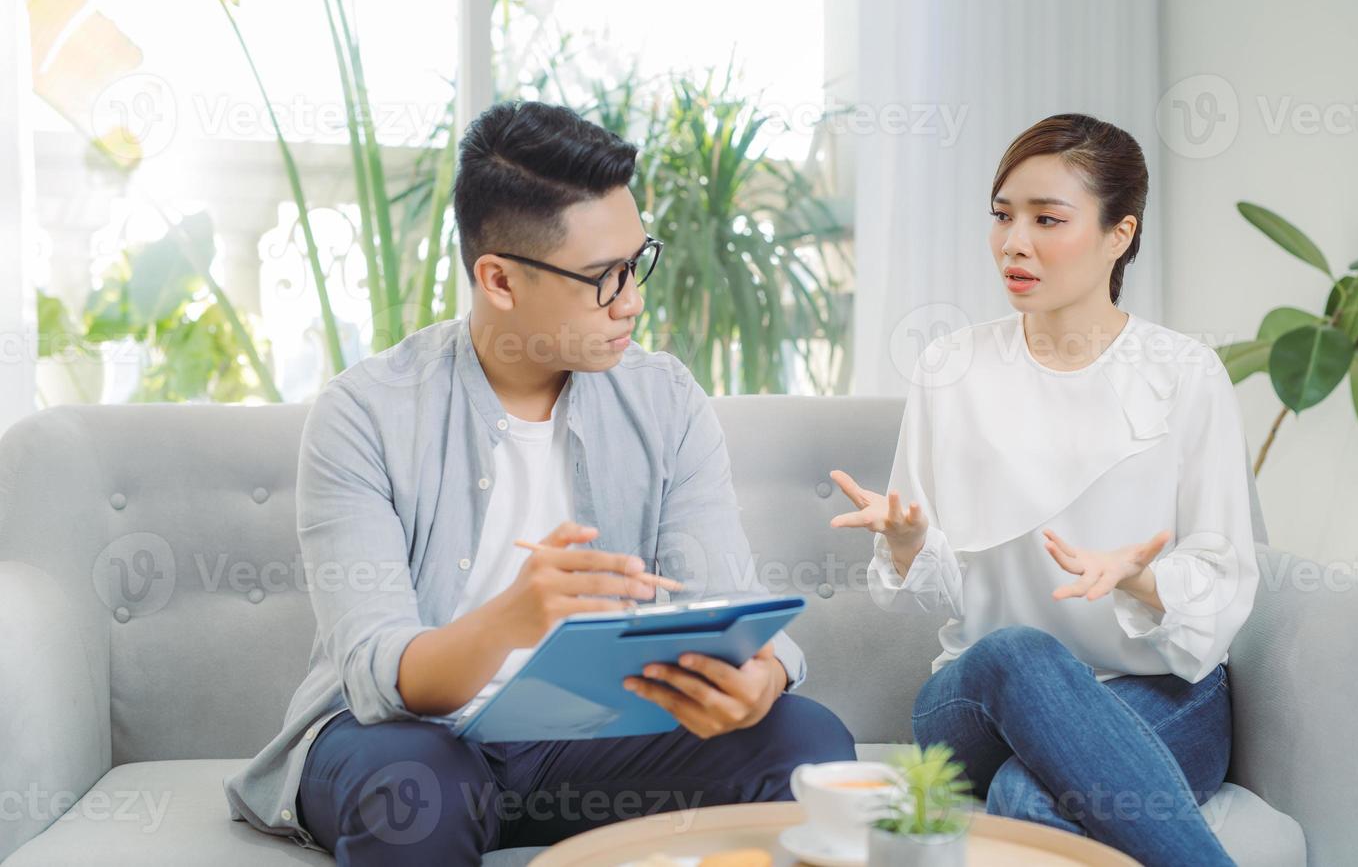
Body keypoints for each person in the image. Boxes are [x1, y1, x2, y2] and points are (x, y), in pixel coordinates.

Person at [225, 100, 855, 865]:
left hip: (584, 745)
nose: (633, 300)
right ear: (498, 279)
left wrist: (761, 673)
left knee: (808, 739)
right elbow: (375, 672)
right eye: (602, 279)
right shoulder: (367, 411)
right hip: (407, 742)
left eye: (636, 262)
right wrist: (512, 618)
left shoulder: (664, 398)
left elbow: (725, 601)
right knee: (418, 790)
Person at [830, 113, 1259, 866]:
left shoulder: (1185, 375)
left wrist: (1142, 579)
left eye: (1046, 219)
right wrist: (908, 547)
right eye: (1002, 216)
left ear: (1119, 234)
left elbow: (1224, 578)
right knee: (1018, 653)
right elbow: (933, 595)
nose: (1013, 243)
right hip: (977, 704)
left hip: (1158, 694)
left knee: (1027, 801)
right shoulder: (952, 369)